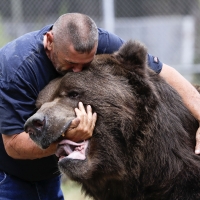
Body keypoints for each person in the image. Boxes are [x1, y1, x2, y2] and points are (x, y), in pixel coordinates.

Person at [0, 13, 200, 200]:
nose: (78, 70)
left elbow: (162, 70)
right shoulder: (16, 68)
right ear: (50, 41)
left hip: (47, 174)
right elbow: (13, 145)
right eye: (70, 63)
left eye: (85, 64)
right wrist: (67, 137)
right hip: (11, 176)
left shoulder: (98, 42)